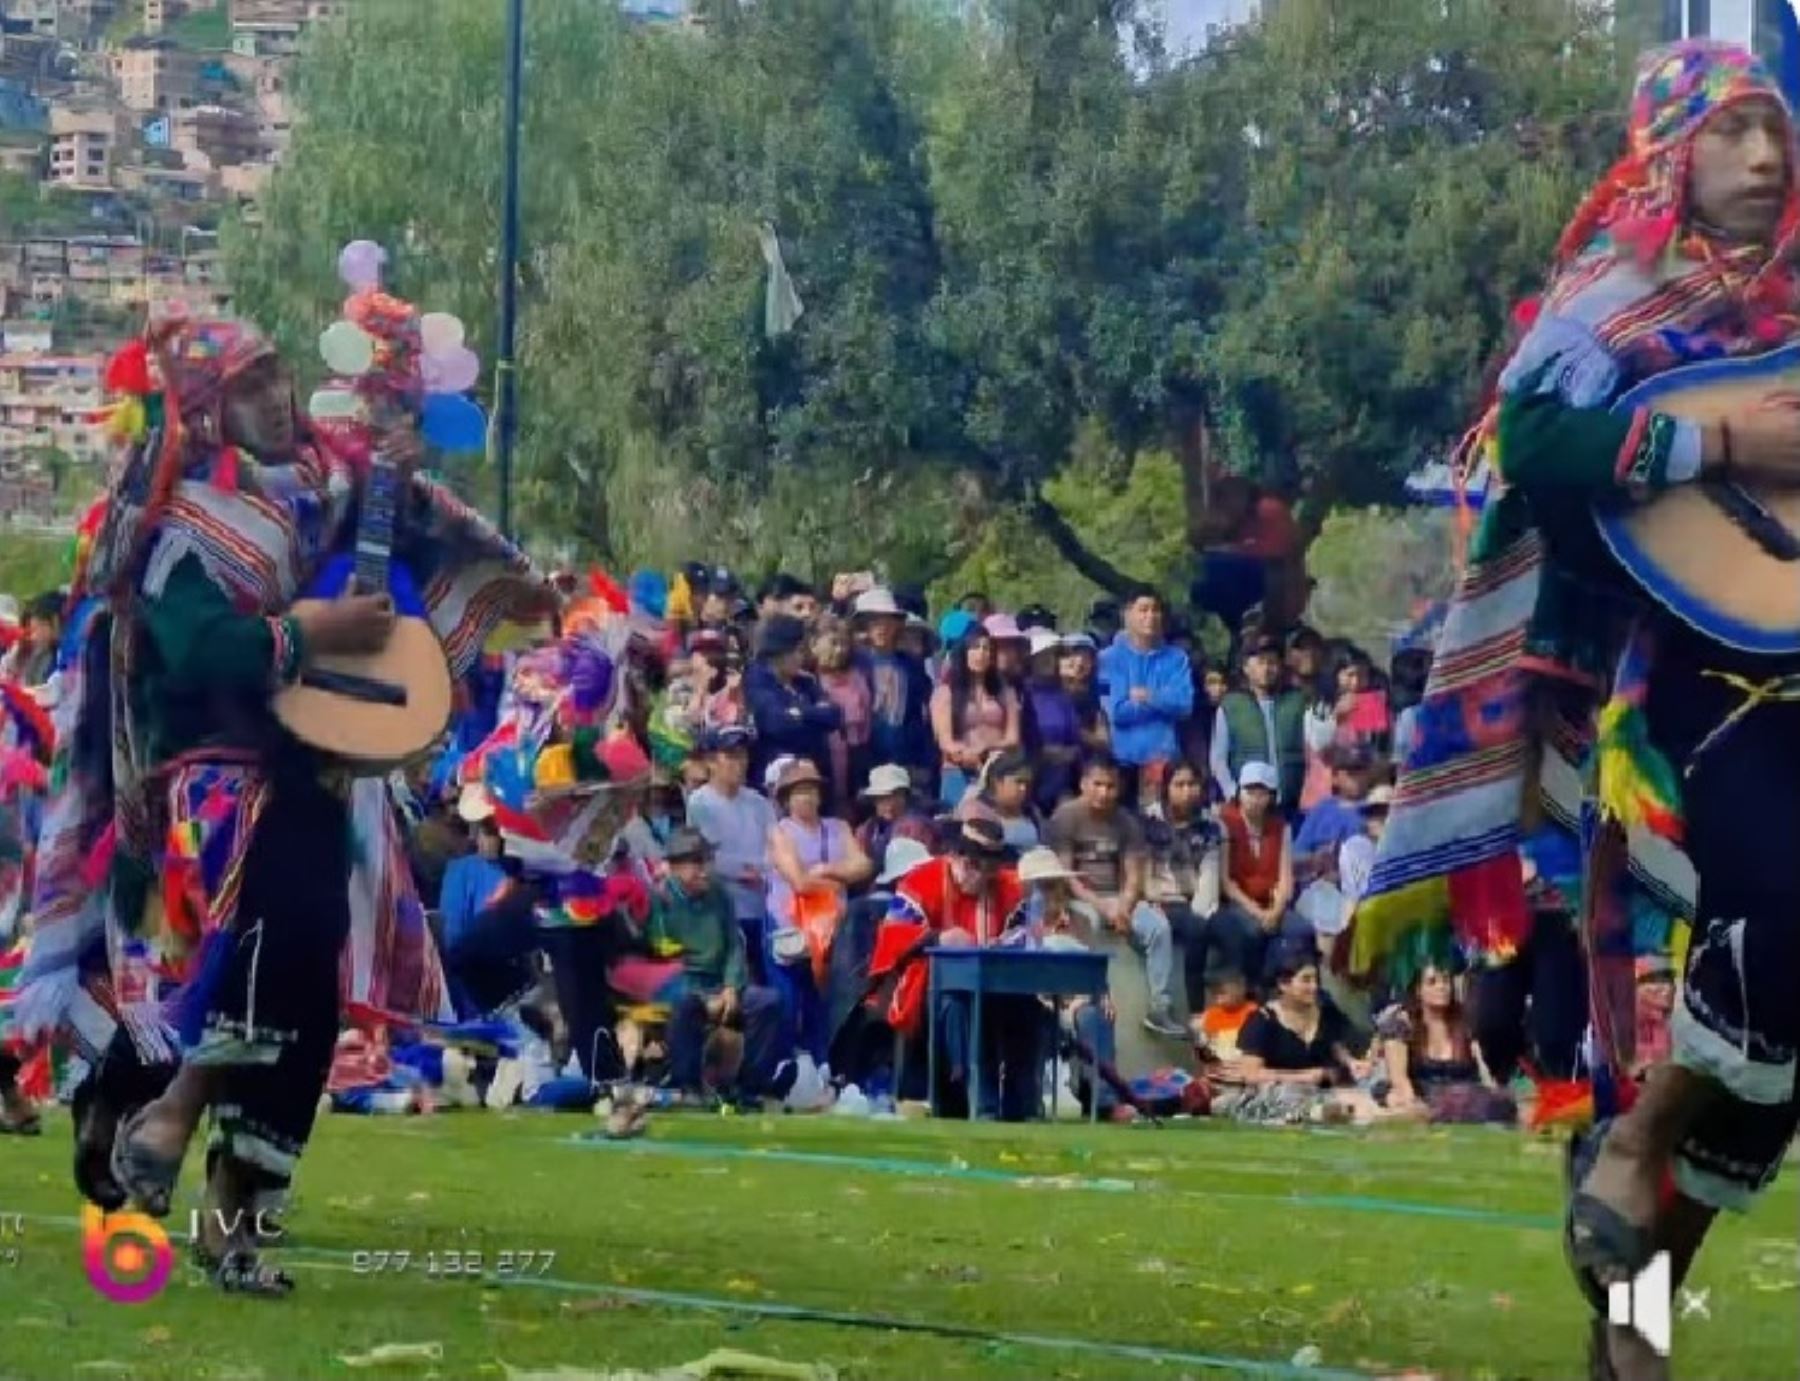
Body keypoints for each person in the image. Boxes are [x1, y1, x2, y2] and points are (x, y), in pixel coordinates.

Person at [1353, 43, 1800, 1378]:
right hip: (1670, 698)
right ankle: (1635, 1140)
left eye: (1776, 130)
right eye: (1733, 135)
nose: (1767, 159)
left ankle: (1635, 1313)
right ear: (1670, 155)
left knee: (1777, 1048)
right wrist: (1721, 444)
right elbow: (1527, 450)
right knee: (1779, 918)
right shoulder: (1610, 301)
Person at [12, 313, 548, 1294]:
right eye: (250, 385)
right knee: (255, 968)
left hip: (322, 772)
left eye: (278, 375)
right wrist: (307, 634)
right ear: (207, 413)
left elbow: (401, 561)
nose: (275, 395)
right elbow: (197, 646)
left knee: (301, 1004)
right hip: (206, 788)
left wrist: (397, 468)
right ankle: (139, 1113)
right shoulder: (181, 528)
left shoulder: (333, 490)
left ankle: (228, 1217)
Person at [887, 818, 1040, 1119]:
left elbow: (1026, 932)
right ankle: (981, 1105)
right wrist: (936, 937)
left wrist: (1006, 943)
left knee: (1026, 1008)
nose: (981, 876)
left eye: (989, 868)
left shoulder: (1008, 887)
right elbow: (892, 935)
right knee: (956, 1006)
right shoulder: (921, 881)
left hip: (996, 984)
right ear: (955, 856)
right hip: (932, 986)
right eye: (973, 865)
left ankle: (1021, 1106)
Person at [1045, 754, 1183, 1037]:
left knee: (1158, 927)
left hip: (1118, 896)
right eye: (1097, 784)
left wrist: (1124, 905)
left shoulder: (1125, 821)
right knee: (1090, 923)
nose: (1104, 792)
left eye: (1110, 786)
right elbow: (1066, 876)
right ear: (1084, 784)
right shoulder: (1065, 818)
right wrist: (1104, 908)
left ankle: (1159, 1007)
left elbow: (1134, 874)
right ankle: (1092, 999)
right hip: (1080, 896)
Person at [650, 828, 788, 1105]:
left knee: (768, 1002)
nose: (705, 870)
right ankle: (687, 1087)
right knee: (687, 1005)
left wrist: (731, 987)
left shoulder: (720, 895)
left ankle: (750, 1087)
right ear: (675, 867)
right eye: (696, 863)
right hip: (682, 984)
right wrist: (704, 997)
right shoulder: (661, 899)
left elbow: (734, 947)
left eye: (707, 861)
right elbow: (661, 957)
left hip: (719, 983)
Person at [765, 757, 873, 1066]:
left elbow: (863, 865)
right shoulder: (779, 833)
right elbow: (798, 881)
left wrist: (827, 869)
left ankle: (824, 1067)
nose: (807, 797)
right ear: (786, 798)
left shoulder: (839, 827)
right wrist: (839, 876)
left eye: (812, 790)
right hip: (788, 927)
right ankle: (783, 1070)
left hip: (833, 932)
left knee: (824, 1006)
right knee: (788, 1001)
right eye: (799, 791)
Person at [1015, 847, 1133, 1124]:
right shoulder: (1018, 923)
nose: (1051, 892)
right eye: (1043, 886)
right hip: (1035, 1000)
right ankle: (1026, 1100)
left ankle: (1103, 1101)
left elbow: (1094, 968)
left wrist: (1096, 995)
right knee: (1032, 1017)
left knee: (1094, 1015)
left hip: (1076, 1001)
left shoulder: (1081, 920)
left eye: (1055, 884)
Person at [685, 726, 776, 983]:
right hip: (728, 908)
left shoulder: (759, 802)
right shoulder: (700, 802)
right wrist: (750, 869)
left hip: (765, 906)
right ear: (711, 762)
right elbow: (711, 857)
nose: (740, 763)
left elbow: (777, 848)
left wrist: (763, 869)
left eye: (743, 755)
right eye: (731, 756)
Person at [1379, 961, 1509, 1125]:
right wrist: (1413, 1106)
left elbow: (1484, 1071)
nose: (1441, 987)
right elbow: (1400, 1080)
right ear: (1418, 990)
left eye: (1446, 981)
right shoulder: (1402, 1024)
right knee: (1397, 1101)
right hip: (1421, 1096)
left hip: (1464, 1096)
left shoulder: (1465, 1021)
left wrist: (1494, 1094)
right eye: (1432, 982)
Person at [1099, 587, 1194, 811]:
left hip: (1163, 760)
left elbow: (1184, 705)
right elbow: (1118, 712)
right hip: (1121, 760)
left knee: (1160, 828)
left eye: (1155, 610)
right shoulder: (1108, 659)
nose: (1150, 616)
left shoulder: (1176, 658)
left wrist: (1148, 696)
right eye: (1143, 610)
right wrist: (1163, 703)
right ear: (1127, 614)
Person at [1139, 761, 1220, 1012]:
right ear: (1167, 788)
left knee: (1236, 932)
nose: (1187, 791)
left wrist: (1201, 909)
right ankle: (1196, 1012)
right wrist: (1154, 898)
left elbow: (1210, 872)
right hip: (1161, 900)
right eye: (1179, 784)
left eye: (1192, 784)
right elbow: (1143, 874)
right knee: (1197, 929)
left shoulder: (1209, 825)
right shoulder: (1148, 822)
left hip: (1199, 901)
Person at [1214, 762, 1298, 990]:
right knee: (1251, 931)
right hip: (1238, 902)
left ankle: (1292, 988)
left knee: (1300, 928)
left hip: (1271, 901)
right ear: (1239, 792)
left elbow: (1285, 878)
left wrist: (1276, 909)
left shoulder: (1281, 827)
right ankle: (1254, 990)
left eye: (1263, 794)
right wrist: (1260, 914)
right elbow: (1227, 883)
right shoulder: (1225, 823)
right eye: (1250, 792)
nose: (1255, 799)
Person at [745, 614, 842, 801]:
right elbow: (777, 724)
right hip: (778, 787)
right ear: (779, 652)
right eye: (797, 651)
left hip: (815, 776)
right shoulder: (756, 681)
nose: (803, 657)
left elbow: (834, 716)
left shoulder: (805, 681)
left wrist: (799, 712)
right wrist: (814, 715)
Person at [1209, 634, 1307, 812]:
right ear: (1246, 667)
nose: (1267, 669)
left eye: (1272, 662)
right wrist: (1233, 792)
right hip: (1248, 803)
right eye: (1260, 662)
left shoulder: (1297, 702)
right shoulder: (1231, 706)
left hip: (1292, 801)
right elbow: (1218, 759)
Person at [929, 626, 1019, 811]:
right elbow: (945, 741)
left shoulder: (1005, 692)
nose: (981, 653)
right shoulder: (946, 692)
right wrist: (967, 754)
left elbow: (1013, 738)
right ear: (964, 652)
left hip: (997, 767)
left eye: (986, 648)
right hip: (958, 769)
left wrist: (987, 749)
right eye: (975, 647)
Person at [853, 588, 934, 787]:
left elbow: (920, 715)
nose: (881, 628)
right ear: (864, 626)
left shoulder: (911, 665)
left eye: (886, 621)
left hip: (906, 759)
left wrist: (924, 761)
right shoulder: (855, 664)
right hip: (866, 761)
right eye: (874, 622)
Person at [811, 617, 872, 815]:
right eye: (833, 643)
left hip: (855, 759)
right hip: (820, 760)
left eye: (844, 644)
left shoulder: (857, 678)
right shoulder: (808, 681)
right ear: (814, 645)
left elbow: (866, 722)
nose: (840, 650)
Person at [1021, 627, 1082, 813]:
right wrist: (1043, 753)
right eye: (1044, 655)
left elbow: (1075, 737)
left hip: (1062, 780)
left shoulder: (1063, 696)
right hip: (1030, 780)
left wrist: (1069, 753)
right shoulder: (1023, 693)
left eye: (1055, 655)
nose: (1051, 661)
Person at [954, 748, 1040, 852]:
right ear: (998, 783)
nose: (1023, 788)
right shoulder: (975, 811)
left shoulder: (1032, 813)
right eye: (1018, 782)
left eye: (1026, 783)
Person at [854, 764, 936, 872]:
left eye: (895, 796)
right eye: (882, 798)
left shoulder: (916, 827)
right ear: (874, 801)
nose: (889, 804)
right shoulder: (865, 831)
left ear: (905, 798)